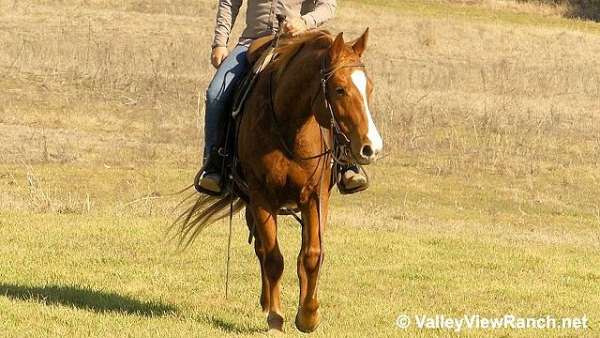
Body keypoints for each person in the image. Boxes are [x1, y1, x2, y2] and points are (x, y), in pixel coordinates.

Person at [196, 0, 368, 195]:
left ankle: (346, 163)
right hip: (252, 42)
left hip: (299, 43)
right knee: (216, 94)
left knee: (332, 87)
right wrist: (220, 42)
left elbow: (327, 5)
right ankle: (216, 165)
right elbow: (229, 2)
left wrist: (304, 21)